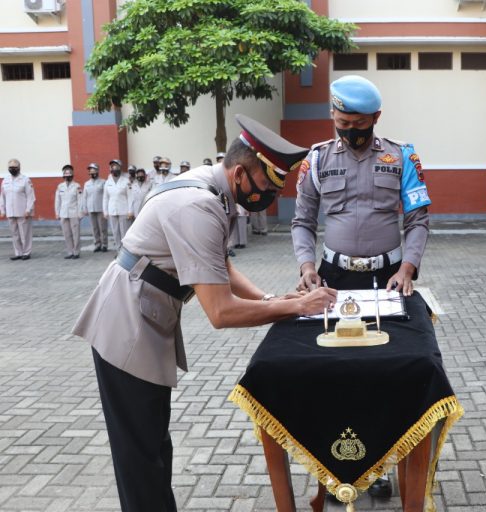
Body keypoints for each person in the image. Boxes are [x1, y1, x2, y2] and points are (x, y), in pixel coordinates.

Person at [72, 114, 337, 512]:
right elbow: (220, 312)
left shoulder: (212, 188)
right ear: (239, 174)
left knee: (153, 444)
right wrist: (295, 306)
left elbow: (221, 265)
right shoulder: (199, 205)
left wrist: (270, 300)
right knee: (140, 455)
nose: (267, 196)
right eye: (265, 186)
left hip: (145, 314)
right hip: (124, 325)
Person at [292, 75, 431, 499]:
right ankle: (333, 464)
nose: (351, 131)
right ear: (332, 116)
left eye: (360, 123)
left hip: (385, 280)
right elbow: (302, 221)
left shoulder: (402, 157)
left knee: (382, 375)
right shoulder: (315, 160)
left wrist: (408, 267)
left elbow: (418, 220)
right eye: (343, 122)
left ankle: (380, 464)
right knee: (334, 374)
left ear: (376, 118)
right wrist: (305, 266)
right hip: (333, 279)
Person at [0, 158, 35, 260]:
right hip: (10, 212)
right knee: (14, 234)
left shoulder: (25, 180)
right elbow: (2, 196)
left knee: (25, 233)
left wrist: (28, 209)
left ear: (19, 168)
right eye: (10, 167)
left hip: (23, 212)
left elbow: (30, 196)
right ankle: (18, 253)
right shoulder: (5, 180)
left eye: (14, 167)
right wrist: (2, 210)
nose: (12, 169)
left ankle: (26, 252)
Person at [55, 164, 83, 259]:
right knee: (66, 234)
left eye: (69, 174)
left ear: (72, 175)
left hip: (74, 213)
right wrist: (57, 212)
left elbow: (80, 200)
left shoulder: (77, 186)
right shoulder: (60, 186)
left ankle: (76, 252)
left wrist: (80, 213)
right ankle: (70, 251)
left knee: (75, 234)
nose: (67, 176)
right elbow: (57, 201)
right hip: (63, 213)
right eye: (65, 174)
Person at [103, 159, 131, 251]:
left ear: (120, 168)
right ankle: (119, 250)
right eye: (112, 167)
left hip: (123, 210)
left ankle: (126, 250)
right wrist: (105, 211)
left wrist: (130, 211)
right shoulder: (108, 182)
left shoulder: (126, 181)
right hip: (112, 211)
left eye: (116, 166)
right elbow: (105, 198)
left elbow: (130, 197)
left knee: (124, 232)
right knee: (115, 232)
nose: (114, 168)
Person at [82, 163, 109, 252]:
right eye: (90, 171)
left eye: (94, 171)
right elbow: (84, 196)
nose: (92, 173)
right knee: (94, 228)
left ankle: (104, 244)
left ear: (97, 171)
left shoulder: (103, 182)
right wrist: (84, 208)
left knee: (102, 228)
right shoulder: (87, 183)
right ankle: (97, 244)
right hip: (91, 208)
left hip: (100, 208)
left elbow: (106, 195)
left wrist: (106, 208)